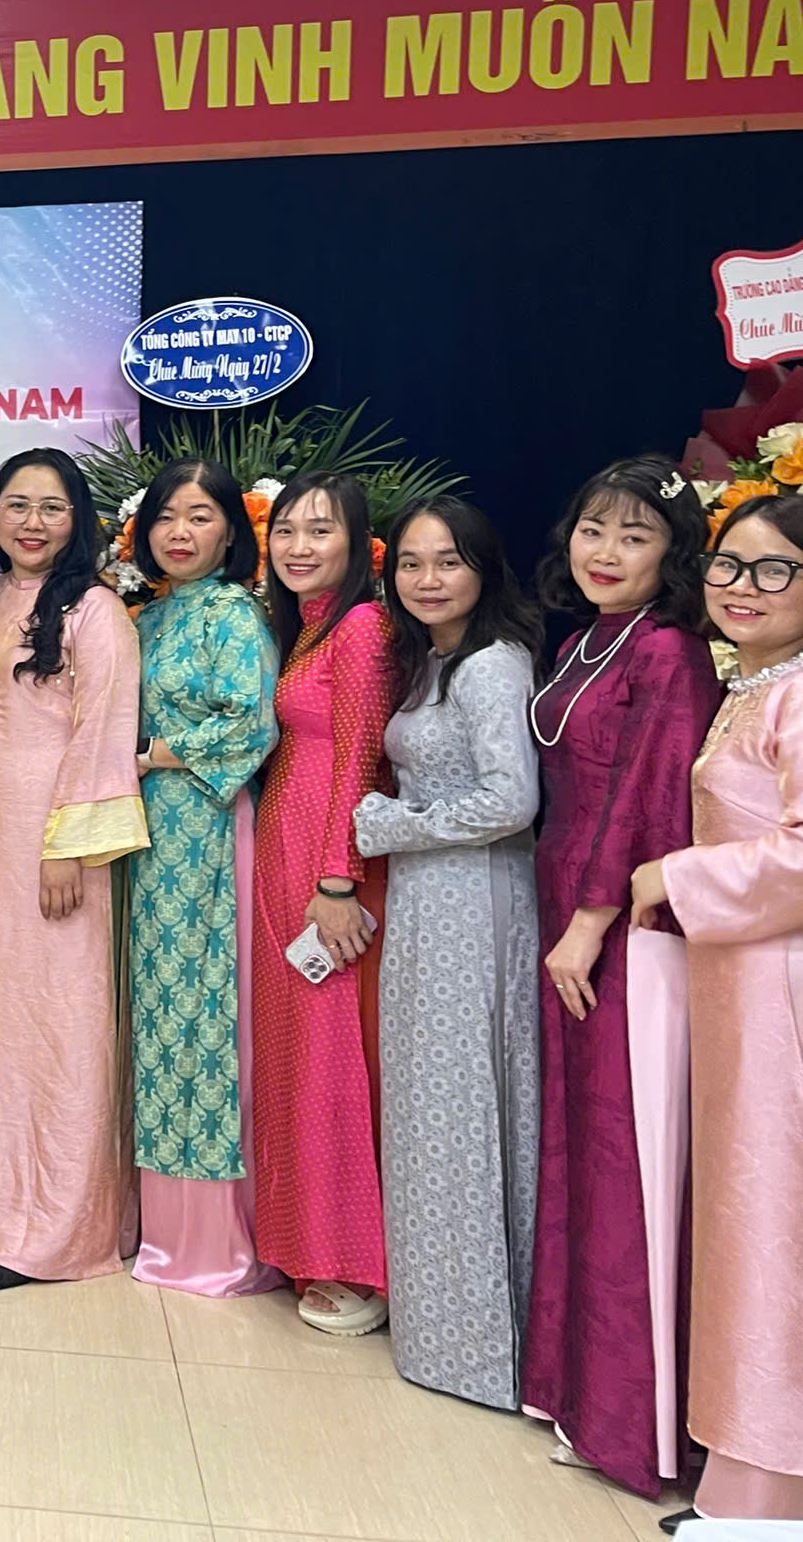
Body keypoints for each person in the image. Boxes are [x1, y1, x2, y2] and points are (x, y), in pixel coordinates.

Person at [638, 493, 803, 1526]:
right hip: (741, 983)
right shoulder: (758, 687)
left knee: (788, 1232)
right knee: (749, 1226)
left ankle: (775, 1499)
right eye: (729, 565)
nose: (742, 587)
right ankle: (752, 1481)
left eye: (775, 569)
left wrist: (673, 875)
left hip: (792, 995)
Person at [519, 456, 720, 1497]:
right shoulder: (586, 641)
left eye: (635, 537)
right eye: (593, 530)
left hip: (624, 931)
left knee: (624, 1160)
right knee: (575, 1155)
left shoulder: (671, 653)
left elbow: (654, 797)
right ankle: (572, 1387)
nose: (606, 552)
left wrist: (592, 922)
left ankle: (632, 1421)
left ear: (673, 554)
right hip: (565, 910)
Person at [353, 496, 544, 1407]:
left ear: (484, 568)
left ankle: (483, 1347)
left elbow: (512, 800)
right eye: (412, 563)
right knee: (429, 1105)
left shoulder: (493, 666)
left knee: (464, 1106)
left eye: (449, 561)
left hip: (477, 901)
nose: (427, 580)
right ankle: (439, 1331)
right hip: (429, 899)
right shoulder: (435, 660)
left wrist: (395, 824)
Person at [0, 448, 148, 1291]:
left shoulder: (95, 609)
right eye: (16, 504)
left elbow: (104, 731)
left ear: (78, 522)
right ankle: (1, 1205)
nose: (31, 523)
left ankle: (64, 1226)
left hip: (54, 833)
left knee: (62, 1019)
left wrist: (68, 845)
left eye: (52, 507)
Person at [126, 461, 279, 1296]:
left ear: (232, 531)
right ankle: (161, 1228)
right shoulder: (148, 618)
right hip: (145, 833)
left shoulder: (235, 613)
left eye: (200, 516)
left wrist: (159, 753)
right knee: (157, 1016)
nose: (179, 532)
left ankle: (213, 1243)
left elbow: (253, 724)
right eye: (166, 517)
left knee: (200, 1015)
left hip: (206, 828)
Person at [249, 470, 395, 1335]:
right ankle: (302, 1241)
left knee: (331, 1055)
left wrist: (337, 878)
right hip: (286, 850)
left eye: (321, 530)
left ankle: (353, 1262)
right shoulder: (309, 628)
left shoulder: (364, 627)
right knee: (294, 1054)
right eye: (287, 531)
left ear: (358, 544)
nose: (299, 546)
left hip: (325, 866)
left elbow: (361, 756)